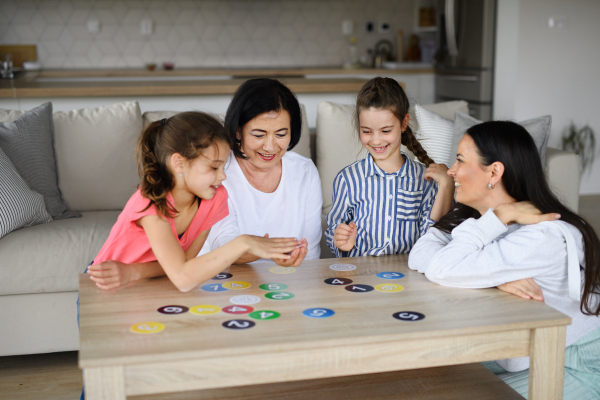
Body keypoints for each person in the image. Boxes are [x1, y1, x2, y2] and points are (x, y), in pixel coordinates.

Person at [408, 120, 600, 399]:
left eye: (460, 160)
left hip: (574, 359)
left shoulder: (541, 237)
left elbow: (442, 267)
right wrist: (494, 279)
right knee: (421, 376)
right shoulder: (480, 217)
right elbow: (422, 252)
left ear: (494, 172)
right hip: (519, 356)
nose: (452, 170)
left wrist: (498, 223)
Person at [86, 112, 301, 292]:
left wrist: (133, 271)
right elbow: (183, 278)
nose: (222, 176)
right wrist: (244, 242)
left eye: (223, 167)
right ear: (179, 163)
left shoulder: (215, 197)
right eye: (213, 167)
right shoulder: (151, 203)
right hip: (105, 286)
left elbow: (185, 265)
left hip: (151, 285)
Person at [198, 78, 322, 266]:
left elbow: (310, 253)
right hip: (224, 282)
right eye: (258, 135)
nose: (270, 147)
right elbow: (221, 244)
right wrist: (263, 249)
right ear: (238, 131)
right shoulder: (218, 173)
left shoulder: (305, 171)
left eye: (281, 134)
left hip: (287, 285)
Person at [325, 77, 454, 257]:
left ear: (403, 123)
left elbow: (433, 237)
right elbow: (334, 229)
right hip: (361, 276)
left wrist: (447, 185)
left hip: (406, 275)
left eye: (386, 131)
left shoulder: (424, 179)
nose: (376, 140)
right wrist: (340, 241)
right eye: (367, 131)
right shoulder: (347, 179)